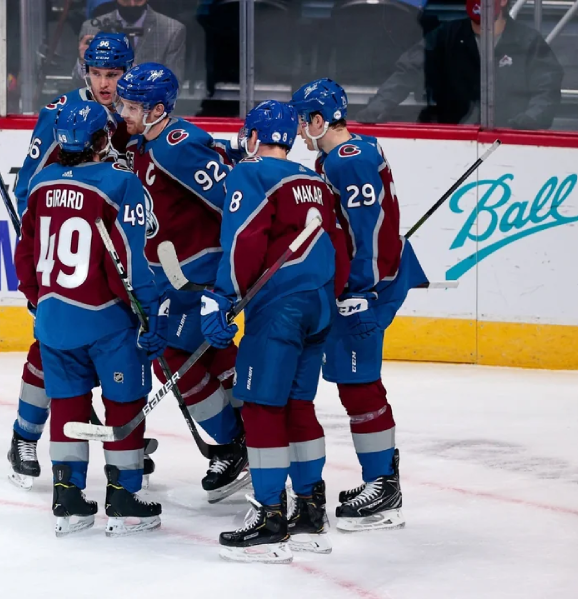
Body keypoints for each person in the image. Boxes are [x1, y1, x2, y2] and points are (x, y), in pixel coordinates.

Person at [201, 100, 350, 564]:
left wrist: (221, 296)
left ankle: (269, 516)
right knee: (298, 405)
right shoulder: (316, 181)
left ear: (253, 136)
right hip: (320, 305)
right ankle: (309, 509)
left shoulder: (251, 174)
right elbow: (340, 244)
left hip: (280, 310)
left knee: (263, 406)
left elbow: (242, 238)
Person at [14, 101, 168, 536]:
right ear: (103, 140)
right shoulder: (121, 184)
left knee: (67, 405)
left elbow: (24, 254)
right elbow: (129, 262)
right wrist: (148, 313)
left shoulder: (42, 184)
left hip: (53, 319)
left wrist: (38, 298)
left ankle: (67, 496)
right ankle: (123, 498)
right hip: (106, 321)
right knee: (124, 403)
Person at [7, 32, 148, 490]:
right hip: (63, 250)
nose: (105, 84)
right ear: (83, 70)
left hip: (107, 250)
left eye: (114, 74)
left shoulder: (133, 111)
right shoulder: (59, 114)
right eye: (97, 74)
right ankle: (24, 436)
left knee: (110, 348)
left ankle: (121, 443)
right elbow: (28, 186)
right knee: (50, 347)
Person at [292, 78, 429, 532]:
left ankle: (384, 489)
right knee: (355, 382)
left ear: (317, 120)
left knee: (359, 384)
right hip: (369, 281)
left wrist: (358, 291)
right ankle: (382, 481)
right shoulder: (356, 149)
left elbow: (366, 232)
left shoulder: (345, 163)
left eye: (301, 119)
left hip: (364, 291)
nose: (296, 128)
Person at [116, 62, 250, 503]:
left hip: (199, 278)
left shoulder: (176, 147)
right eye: (123, 103)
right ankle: (253, 434)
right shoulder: (144, 144)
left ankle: (234, 445)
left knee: (174, 359)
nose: (124, 112)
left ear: (157, 109)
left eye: (132, 105)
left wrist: (224, 282)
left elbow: (234, 202)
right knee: (208, 357)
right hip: (171, 278)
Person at [355, 0, 563, 129]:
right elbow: (407, 72)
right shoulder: (446, 37)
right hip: (454, 142)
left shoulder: (527, 42)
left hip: (510, 143)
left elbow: (547, 88)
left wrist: (529, 121)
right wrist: (378, 107)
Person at [76, 0, 186, 85]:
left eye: (138, 0)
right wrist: (83, 62)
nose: (132, 4)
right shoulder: (92, 28)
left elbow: (174, 85)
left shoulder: (172, 30)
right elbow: (78, 85)